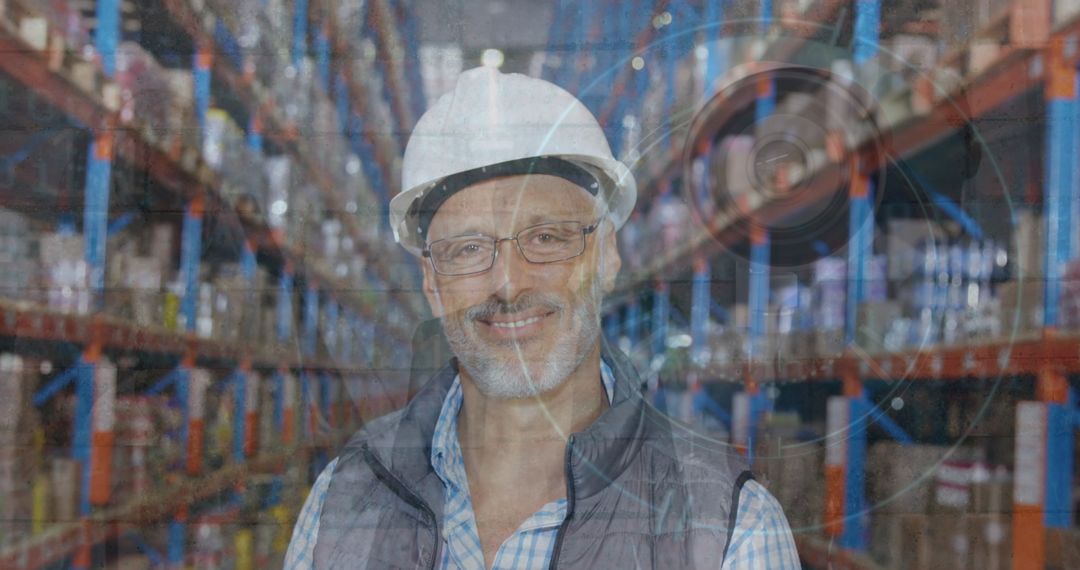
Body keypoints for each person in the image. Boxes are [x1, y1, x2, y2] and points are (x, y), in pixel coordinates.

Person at [285, 66, 799, 569]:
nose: (509, 283)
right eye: (468, 248)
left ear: (607, 255)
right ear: (431, 285)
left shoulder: (728, 533)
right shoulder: (342, 504)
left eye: (547, 237)